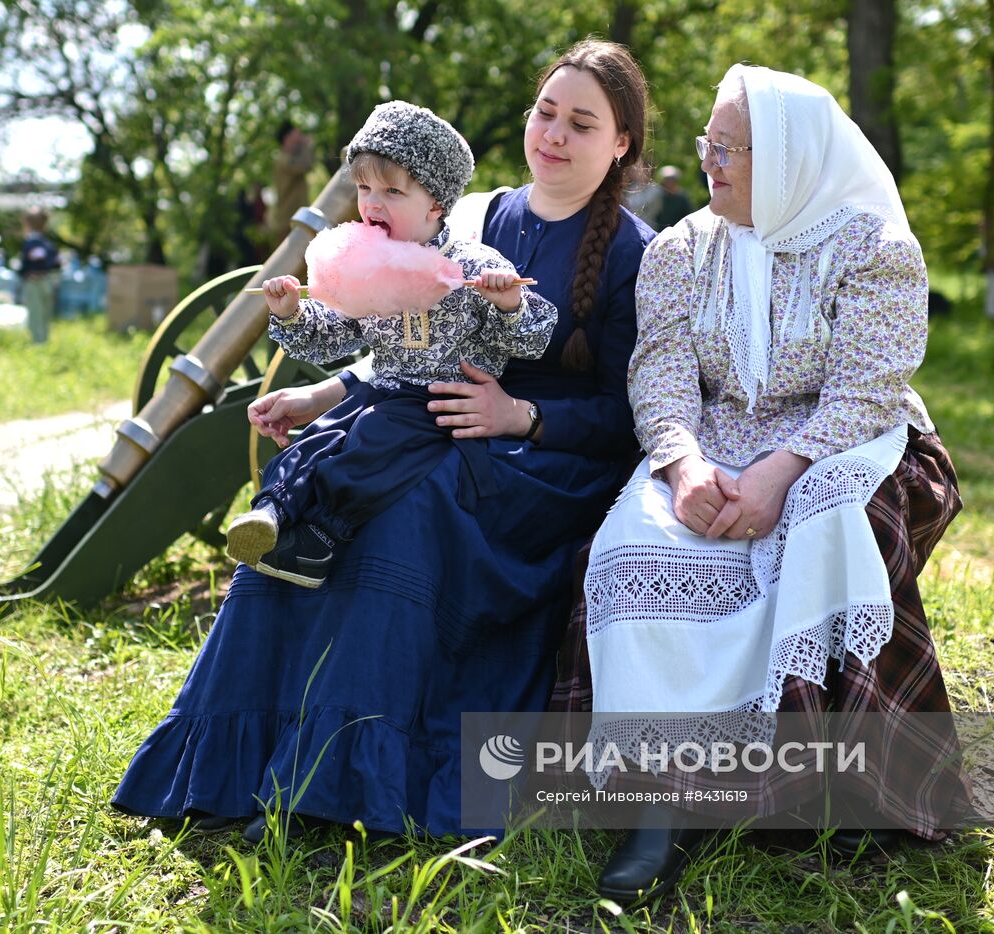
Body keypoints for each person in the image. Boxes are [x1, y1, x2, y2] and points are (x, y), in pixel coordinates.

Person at [112, 39, 656, 843]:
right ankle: (237, 762)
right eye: (546, 111)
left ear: (621, 146)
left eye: (583, 122)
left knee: (402, 515)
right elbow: (406, 344)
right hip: (429, 423)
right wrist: (323, 391)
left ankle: (331, 780)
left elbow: (632, 416)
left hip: (544, 464)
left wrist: (522, 417)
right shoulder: (478, 214)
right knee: (307, 490)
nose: (554, 134)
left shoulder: (637, 253)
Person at [550, 64, 970, 903]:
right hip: (713, 441)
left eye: (735, 149)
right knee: (634, 539)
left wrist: (784, 471)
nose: (713, 163)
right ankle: (659, 807)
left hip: (847, 439)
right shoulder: (681, 248)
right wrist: (684, 465)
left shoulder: (874, 247)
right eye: (710, 144)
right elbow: (662, 368)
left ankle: (836, 787)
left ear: (789, 155)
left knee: (821, 529)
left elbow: (868, 387)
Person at [232, 101, 556, 588]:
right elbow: (334, 336)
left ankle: (320, 537)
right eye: (364, 188)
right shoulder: (365, 262)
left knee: (373, 438)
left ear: (435, 204)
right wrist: (291, 312)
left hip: (439, 403)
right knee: (322, 434)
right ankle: (272, 512)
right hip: (379, 389)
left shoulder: (474, 264)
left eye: (391, 190)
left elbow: (529, 342)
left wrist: (509, 303)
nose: (371, 204)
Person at [17, 206, 61, 344]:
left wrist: (27, 272)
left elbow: (32, 262)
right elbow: (57, 264)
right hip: (48, 282)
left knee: (36, 315)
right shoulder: (48, 244)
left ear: (27, 224)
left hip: (35, 282)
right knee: (45, 315)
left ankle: (38, 344)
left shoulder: (31, 243)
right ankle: (44, 341)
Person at [268, 121, 317, 242]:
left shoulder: (289, 158)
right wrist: (307, 145)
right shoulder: (283, 160)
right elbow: (306, 165)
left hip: (296, 220)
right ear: (287, 137)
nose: (300, 137)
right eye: (297, 135)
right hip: (287, 223)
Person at [652, 165, 693, 231]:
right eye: (667, 180)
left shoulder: (682, 198)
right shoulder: (659, 197)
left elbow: (688, 215)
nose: (669, 183)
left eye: (671, 180)